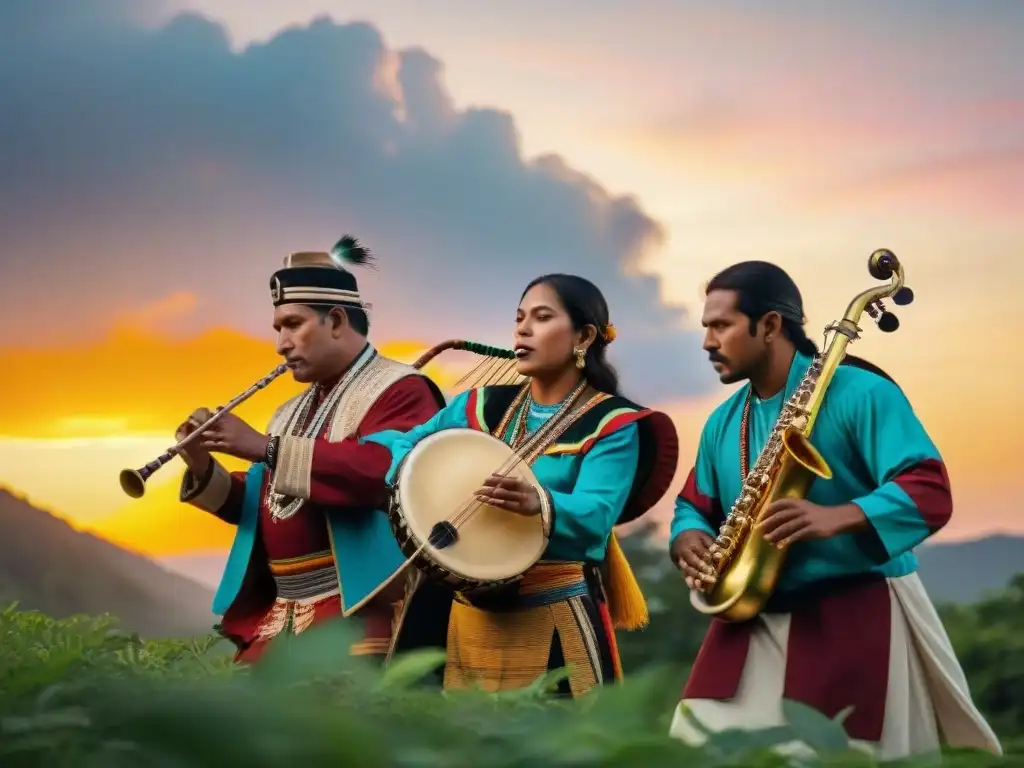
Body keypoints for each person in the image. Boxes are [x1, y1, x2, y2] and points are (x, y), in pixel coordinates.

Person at [667, 261, 1002, 760]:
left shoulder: (862, 393)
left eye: (722, 325)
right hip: (750, 615)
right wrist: (687, 538)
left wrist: (838, 516)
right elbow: (694, 505)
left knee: (837, 756)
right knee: (695, 747)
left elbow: (929, 488)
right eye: (706, 327)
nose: (707, 342)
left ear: (771, 325)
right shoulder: (723, 420)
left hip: (858, 610)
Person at [363, 274, 679, 697]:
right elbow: (403, 444)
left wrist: (541, 503)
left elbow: (597, 514)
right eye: (519, 318)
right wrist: (418, 476)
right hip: (458, 610)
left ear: (584, 335)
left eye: (542, 317)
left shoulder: (615, 424)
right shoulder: (478, 405)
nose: (522, 330)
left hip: (552, 610)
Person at [176, 236, 445, 664]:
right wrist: (202, 465)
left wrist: (263, 447)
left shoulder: (401, 389)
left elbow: (382, 472)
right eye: (278, 329)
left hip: (359, 613)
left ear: (336, 320)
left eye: (293, 325)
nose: (281, 344)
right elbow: (269, 503)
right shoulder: (289, 412)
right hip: (279, 618)